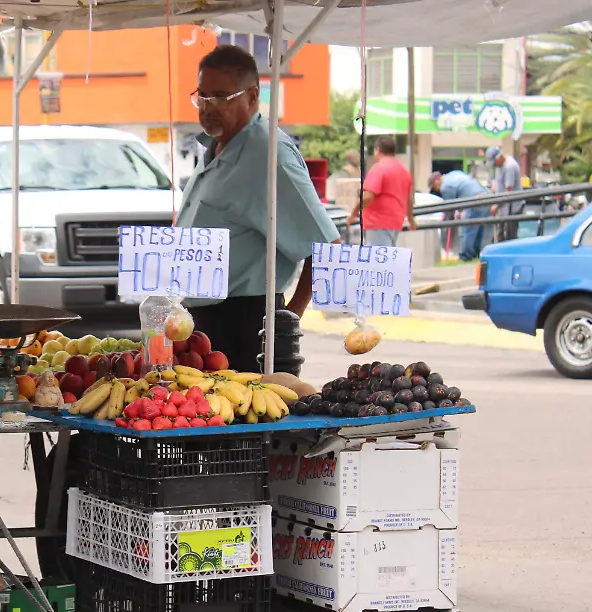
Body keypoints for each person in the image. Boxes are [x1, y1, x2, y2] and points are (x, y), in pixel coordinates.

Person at [177, 45, 340, 374]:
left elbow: (325, 245)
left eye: (221, 97)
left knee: (244, 424)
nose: (208, 107)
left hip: (245, 322)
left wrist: (289, 318)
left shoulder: (268, 154)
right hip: (199, 321)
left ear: (252, 97)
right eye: (202, 96)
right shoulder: (217, 146)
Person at [346, 137, 417, 247]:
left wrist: (354, 213)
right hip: (396, 222)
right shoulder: (404, 171)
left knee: (378, 260)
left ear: (378, 150)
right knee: (387, 258)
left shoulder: (379, 168)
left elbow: (368, 197)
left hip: (378, 222)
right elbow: (409, 199)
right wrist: (411, 219)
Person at [428, 169, 491, 261]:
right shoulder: (454, 174)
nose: (437, 190)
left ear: (437, 181)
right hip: (485, 196)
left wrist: (446, 224)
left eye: (435, 187)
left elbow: (449, 208)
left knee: (468, 229)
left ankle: (466, 256)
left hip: (474, 200)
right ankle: (476, 254)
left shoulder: (445, 186)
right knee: (478, 229)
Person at [486, 146, 523, 242]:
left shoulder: (509, 166)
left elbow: (509, 190)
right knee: (500, 235)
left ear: (499, 157)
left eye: (494, 162)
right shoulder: (500, 165)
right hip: (503, 206)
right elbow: (498, 183)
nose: (494, 165)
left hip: (512, 207)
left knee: (510, 237)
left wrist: (496, 205)